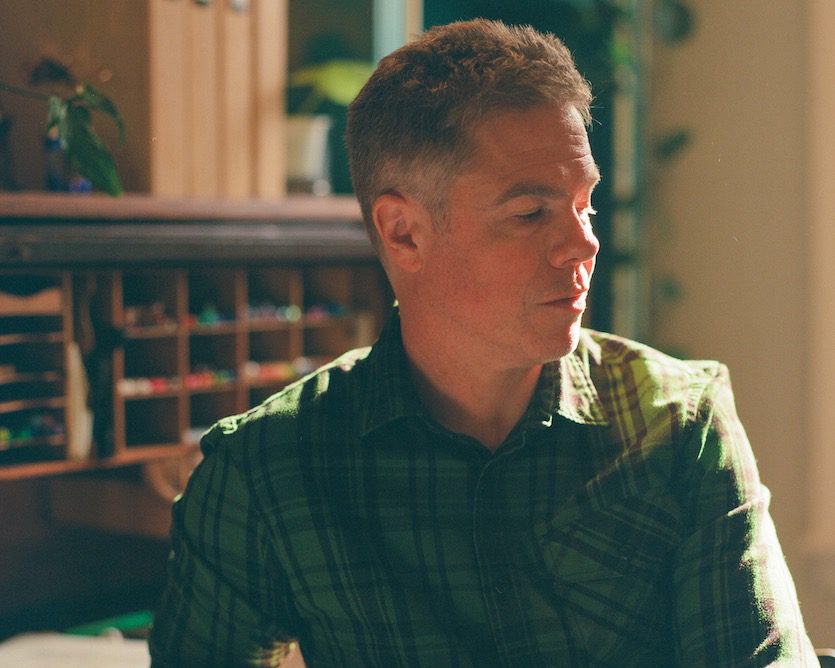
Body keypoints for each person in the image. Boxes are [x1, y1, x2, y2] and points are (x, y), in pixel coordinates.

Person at [149, 19, 817, 667]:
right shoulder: (267, 472)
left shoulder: (678, 422)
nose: (583, 243)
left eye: (583, 203)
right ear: (404, 232)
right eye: (530, 213)